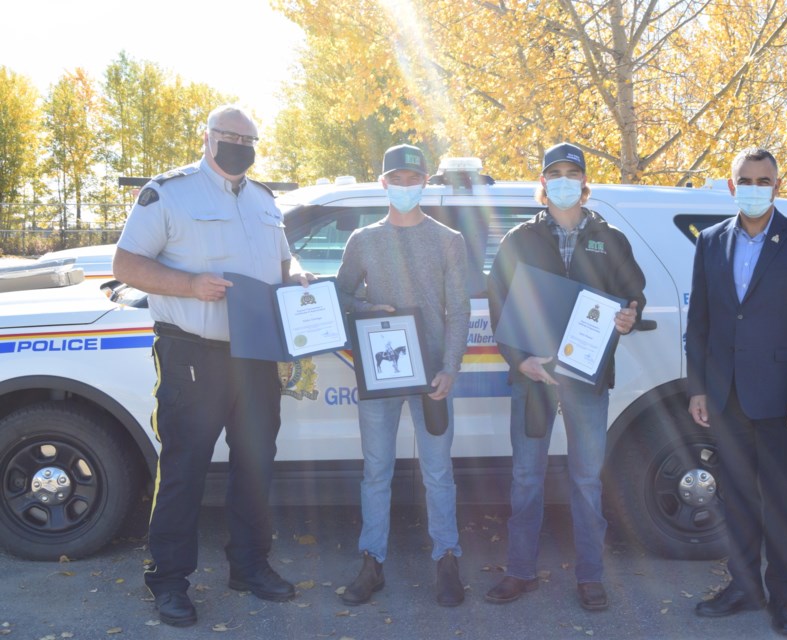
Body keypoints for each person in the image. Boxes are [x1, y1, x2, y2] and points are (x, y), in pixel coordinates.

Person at [113, 105, 306, 627]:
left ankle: (249, 565)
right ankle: (169, 581)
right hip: (193, 354)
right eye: (230, 135)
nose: (241, 144)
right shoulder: (169, 192)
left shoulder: (265, 200)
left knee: (255, 465)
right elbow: (126, 264)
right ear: (207, 138)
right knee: (184, 468)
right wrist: (190, 285)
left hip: (256, 354)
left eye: (250, 137)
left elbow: (283, 264)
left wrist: (300, 279)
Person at [486, 142, 646, 611]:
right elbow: (499, 302)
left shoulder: (610, 238)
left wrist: (628, 316)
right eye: (553, 173)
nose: (562, 180)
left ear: (583, 182)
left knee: (586, 480)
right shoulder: (520, 239)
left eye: (570, 173)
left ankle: (590, 577)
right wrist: (519, 360)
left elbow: (631, 295)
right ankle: (519, 571)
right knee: (526, 477)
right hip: (532, 377)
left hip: (588, 378)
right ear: (543, 183)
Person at [686, 147, 787, 636]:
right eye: (746, 179)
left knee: (780, 502)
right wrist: (699, 389)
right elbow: (700, 323)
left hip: (781, 400)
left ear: (776, 185)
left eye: (764, 179)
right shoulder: (710, 241)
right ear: (732, 186)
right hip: (726, 396)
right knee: (737, 501)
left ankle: (783, 598)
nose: (755, 187)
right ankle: (743, 587)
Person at [336, 144, 471, 607]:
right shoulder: (364, 240)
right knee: (376, 471)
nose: (406, 186)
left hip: (433, 377)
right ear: (383, 183)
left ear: (426, 182)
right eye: (397, 178)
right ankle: (372, 562)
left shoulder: (448, 240)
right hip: (381, 375)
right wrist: (365, 309)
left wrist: (450, 369)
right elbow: (341, 295)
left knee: (438, 472)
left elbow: (460, 310)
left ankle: (447, 559)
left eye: (414, 179)